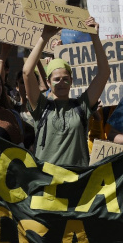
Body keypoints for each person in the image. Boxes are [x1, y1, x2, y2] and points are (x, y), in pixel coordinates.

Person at [22, 17, 110, 166]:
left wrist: (95, 36)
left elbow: (104, 73)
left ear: (72, 80)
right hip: (47, 183)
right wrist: (45, 36)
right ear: (48, 82)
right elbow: (26, 72)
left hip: (77, 182)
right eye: (56, 79)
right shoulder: (41, 107)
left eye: (65, 78)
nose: (61, 83)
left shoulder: (81, 106)